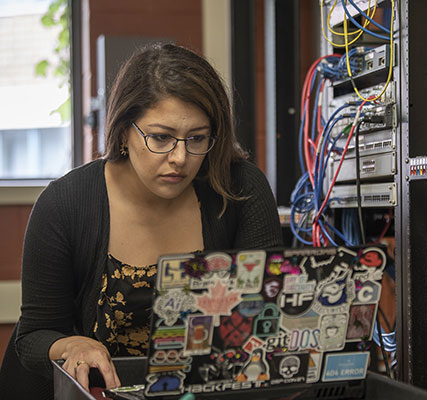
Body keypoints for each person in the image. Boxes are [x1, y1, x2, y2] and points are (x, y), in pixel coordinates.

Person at [0, 43, 283, 399]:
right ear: (123, 133)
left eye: (197, 138)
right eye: (161, 138)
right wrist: (71, 345)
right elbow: (32, 337)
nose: (180, 158)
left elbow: (271, 312)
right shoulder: (64, 204)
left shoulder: (239, 188)